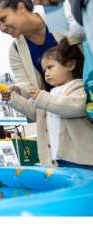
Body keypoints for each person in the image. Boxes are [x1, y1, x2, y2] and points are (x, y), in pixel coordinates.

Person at [8, 38, 93, 170]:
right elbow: (36, 113)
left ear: (70, 65)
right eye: (44, 70)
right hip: (56, 159)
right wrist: (13, 98)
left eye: (50, 67)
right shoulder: (50, 93)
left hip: (81, 158)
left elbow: (76, 106)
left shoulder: (78, 86)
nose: (46, 73)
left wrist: (43, 97)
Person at [0, 0, 82, 102]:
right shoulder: (15, 49)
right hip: (54, 106)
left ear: (21, 8)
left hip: (85, 93)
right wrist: (19, 89)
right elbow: (25, 82)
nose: (2, 28)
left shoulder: (56, 18)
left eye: (3, 19)